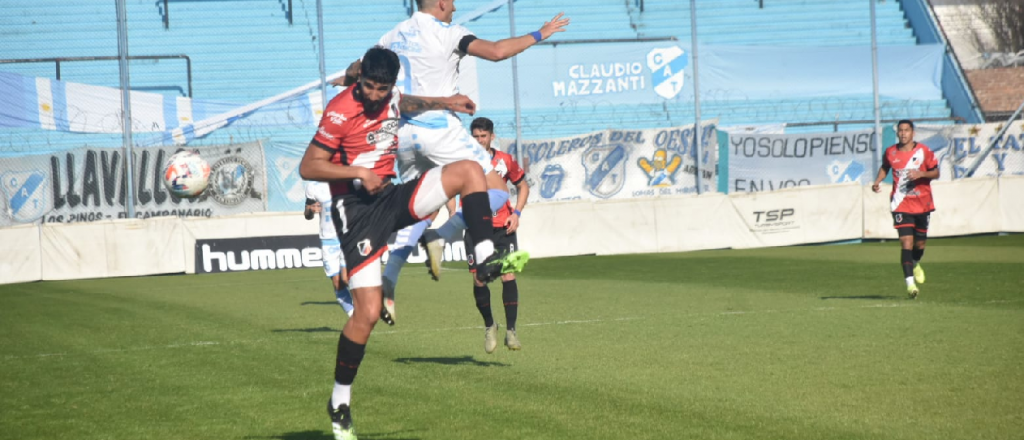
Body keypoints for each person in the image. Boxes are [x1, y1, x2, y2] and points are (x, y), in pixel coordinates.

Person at [299, 46, 520, 440]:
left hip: (390, 196)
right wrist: (358, 172)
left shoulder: (393, 98)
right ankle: (340, 400)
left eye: (381, 89)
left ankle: (485, 255)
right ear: (360, 79)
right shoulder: (339, 110)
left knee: (470, 171)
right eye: (368, 85)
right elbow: (309, 165)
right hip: (356, 212)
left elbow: (410, 102)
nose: (374, 95)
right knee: (365, 315)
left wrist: (447, 101)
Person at [358, 0, 569, 325]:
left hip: (403, 136)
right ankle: (460, 243)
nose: (455, 6)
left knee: (420, 209)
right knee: (495, 188)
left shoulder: (393, 35)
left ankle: (390, 279)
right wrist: (540, 33)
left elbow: (358, 71)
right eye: (452, 1)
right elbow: (497, 51)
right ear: (441, 2)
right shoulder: (448, 33)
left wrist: (346, 82)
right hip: (439, 128)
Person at [463, 117, 530, 353]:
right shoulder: (464, 161)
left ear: (492, 136)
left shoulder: (505, 161)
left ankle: (511, 331)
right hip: (476, 228)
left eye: (483, 136)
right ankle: (490, 325)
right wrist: (453, 209)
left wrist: (517, 213)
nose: (480, 140)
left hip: (503, 226)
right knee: (479, 279)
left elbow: (523, 186)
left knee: (508, 276)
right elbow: (450, 186)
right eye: (476, 136)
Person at [871, 119, 939, 299]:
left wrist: (921, 173)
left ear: (912, 133)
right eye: (900, 131)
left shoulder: (923, 151)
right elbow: (885, 167)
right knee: (906, 243)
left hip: (922, 203)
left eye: (906, 130)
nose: (903, 133)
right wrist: (878, 181)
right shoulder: (891, 152)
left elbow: (936, 172)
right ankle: (910, 285)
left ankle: (915, 263)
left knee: (920, 244)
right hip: (901, 204)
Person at [304, 180, 354, 317]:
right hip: (328, 240)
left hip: (346, 235)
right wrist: (310, 210)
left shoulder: (345, 180)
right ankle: (354, 315)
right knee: (337, 283)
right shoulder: (312, 186)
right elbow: (307, 214)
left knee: (346, 278)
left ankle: (372, 298)